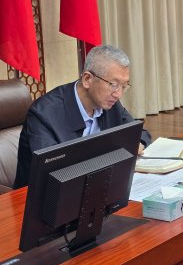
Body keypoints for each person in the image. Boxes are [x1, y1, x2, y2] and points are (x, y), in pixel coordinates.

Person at [14, 45, 151, 189]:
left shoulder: (110, 104)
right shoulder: (43, 114)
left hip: (96, 187)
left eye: (123, 86)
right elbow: (53, 171)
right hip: (43, 195)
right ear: (87, 79)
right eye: (113, 84)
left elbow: (141, 134)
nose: (118, 94)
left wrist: (137, 143)